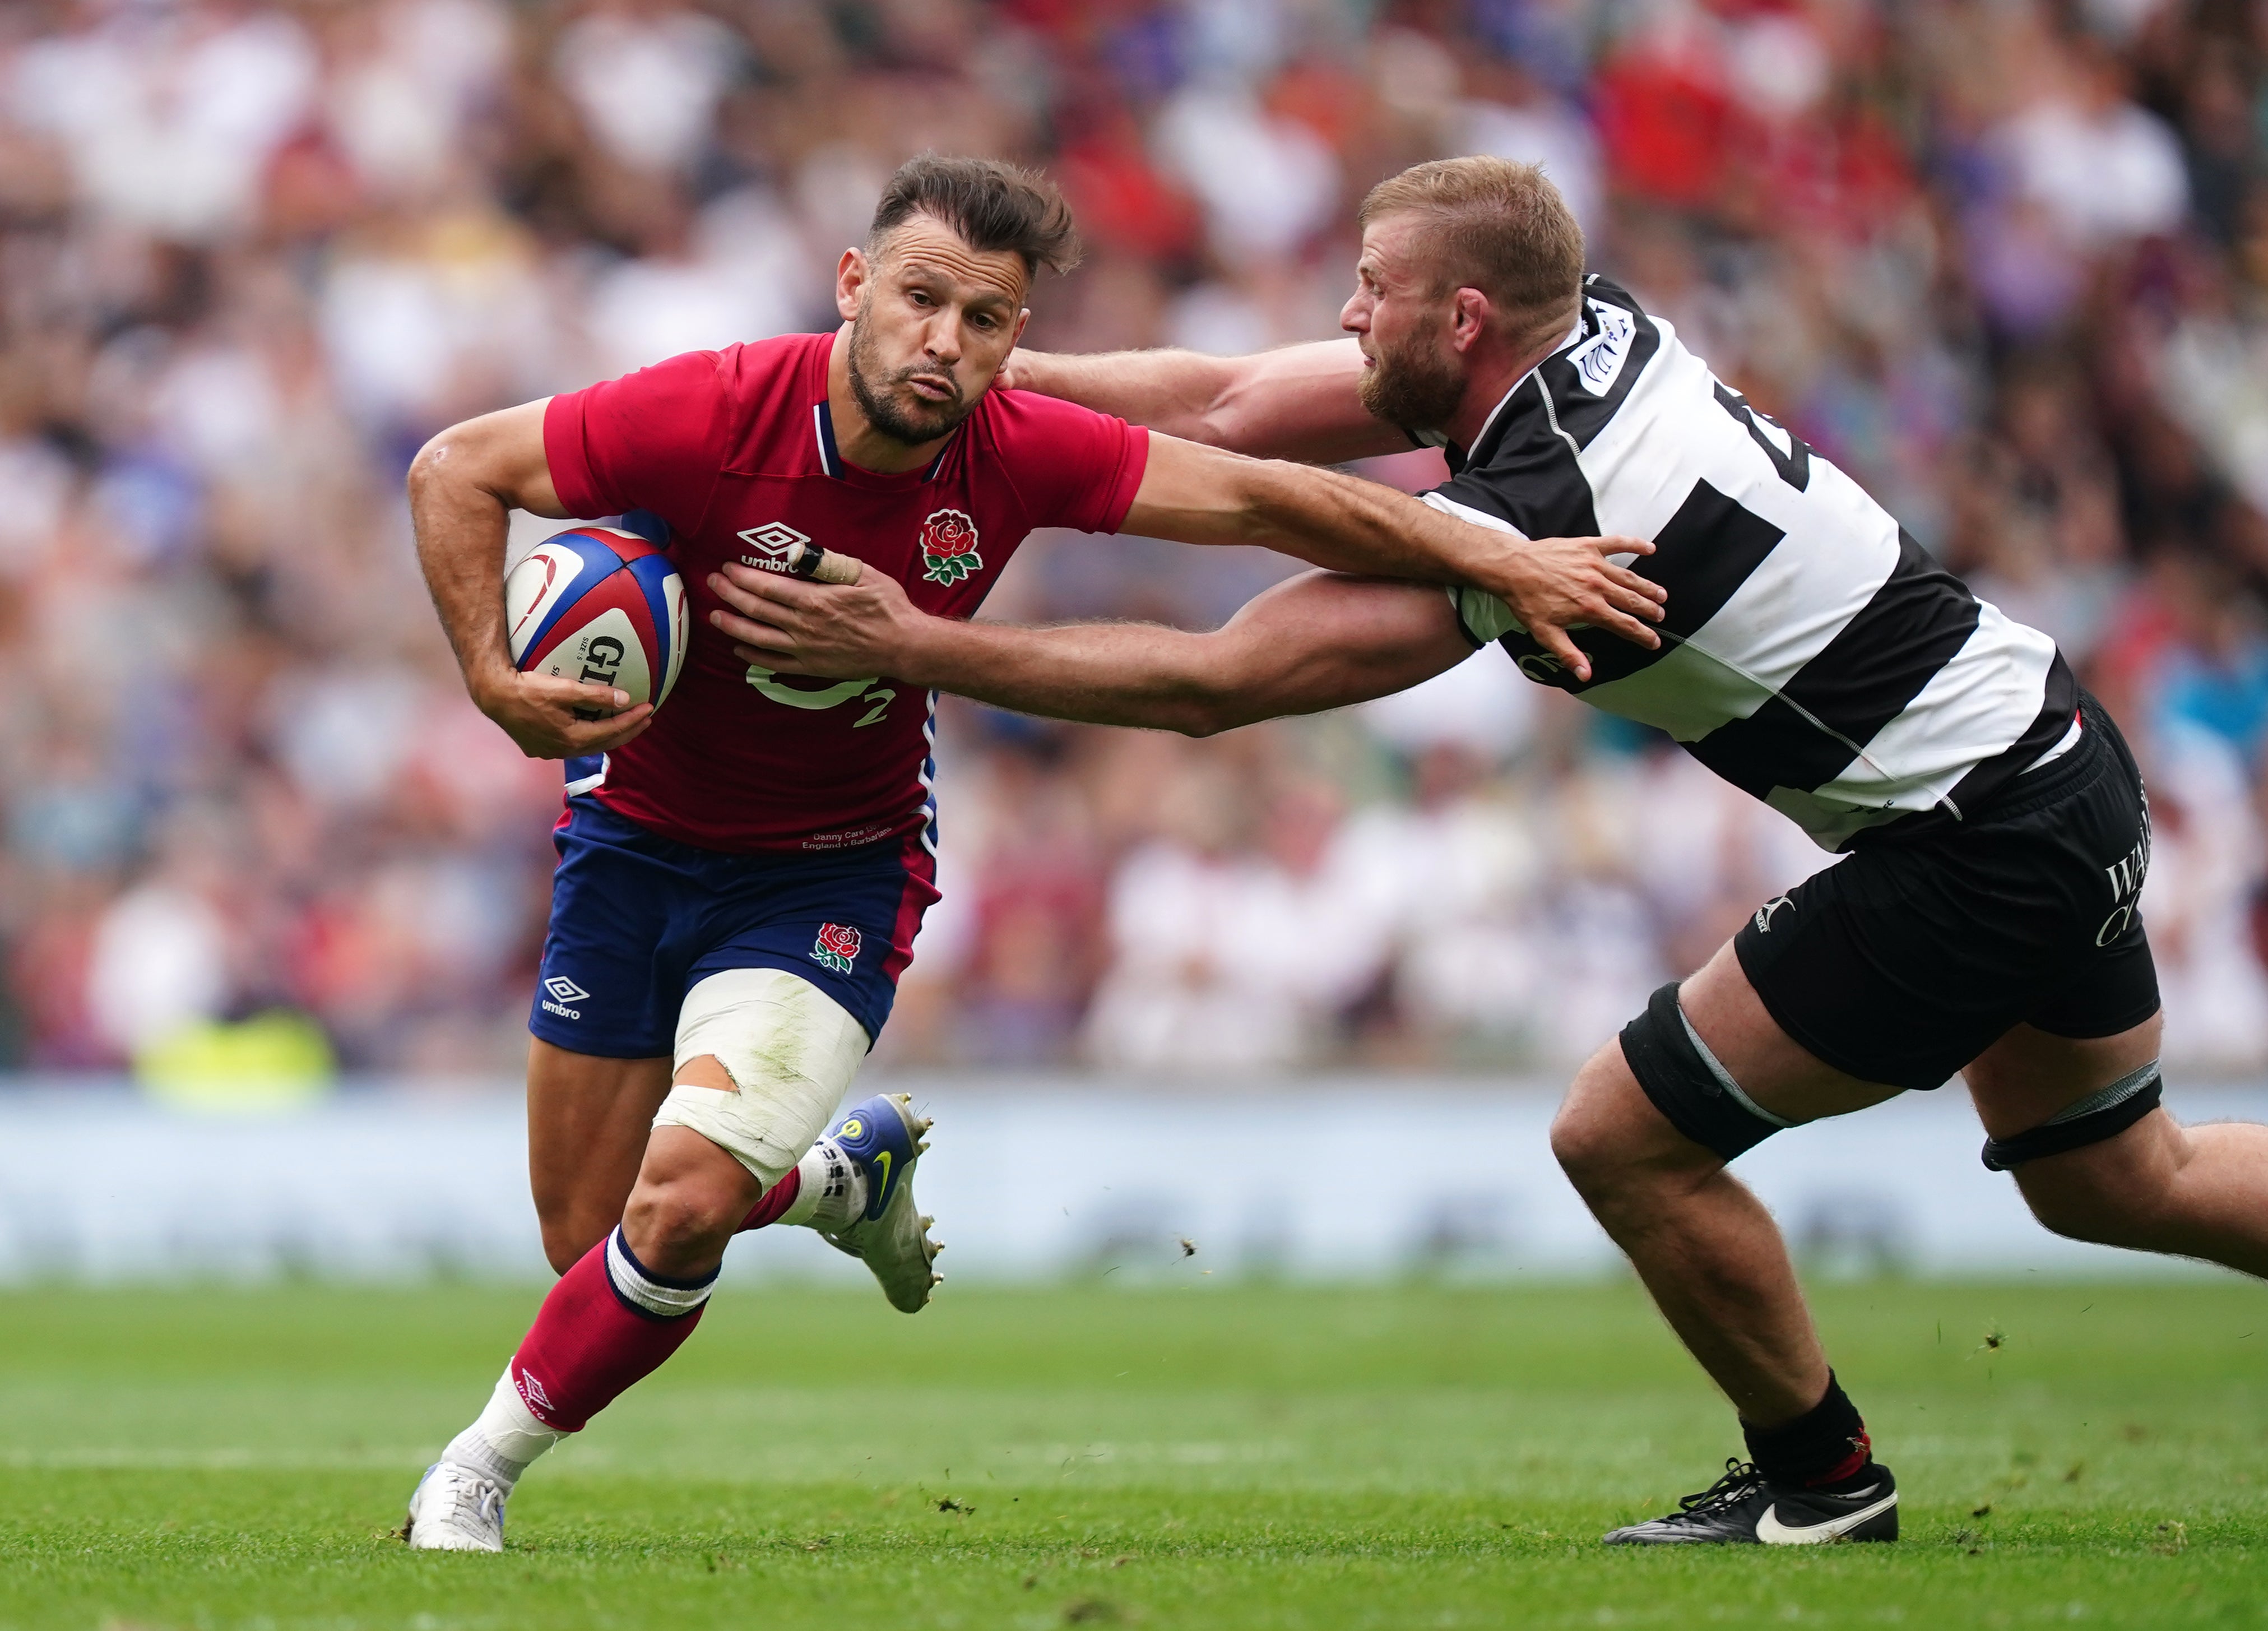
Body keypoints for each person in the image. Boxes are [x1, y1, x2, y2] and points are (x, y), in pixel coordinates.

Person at [711, 155, 2268, 1547]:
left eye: (1367, 290)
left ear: (1460, 317)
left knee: (1622, 1136)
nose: (1345, 316)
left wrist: (913, 641)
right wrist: (974, 369)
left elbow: (1221, 681)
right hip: (2054, 756)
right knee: (2117, 1175)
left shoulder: (1539, 517)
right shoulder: (1594, 336)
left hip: (1968, 836)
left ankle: (1819, 1478)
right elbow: (1223, 398)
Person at [398, 154, 1661, 1552]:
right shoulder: (710, 409)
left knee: (678, 1207)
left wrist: (1496, 559)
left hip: (833, 865)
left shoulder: (1017, 449)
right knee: (591, 1243)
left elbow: (1257, 500)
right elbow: (459, 467)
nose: (946, 343)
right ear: (853, 288)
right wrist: (493, 683)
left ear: (1015, 339)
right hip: (629, 843)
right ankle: (837, 1180)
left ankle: (470, 1474)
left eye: (987, 320)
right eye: (922, 300)